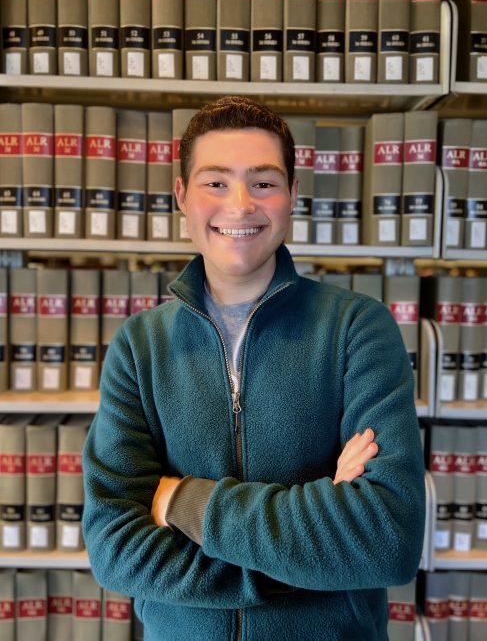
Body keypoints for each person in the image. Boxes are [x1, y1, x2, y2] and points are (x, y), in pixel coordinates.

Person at [82, 96, 425, 641]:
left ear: (292, 195)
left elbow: (387, 540)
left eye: (263, 183)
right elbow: (115, 550)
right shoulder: (139, 347)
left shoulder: (358, 329)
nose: (240, 204)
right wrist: (302, 556)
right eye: (216, 183)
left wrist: (182, 501)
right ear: (182, 196)